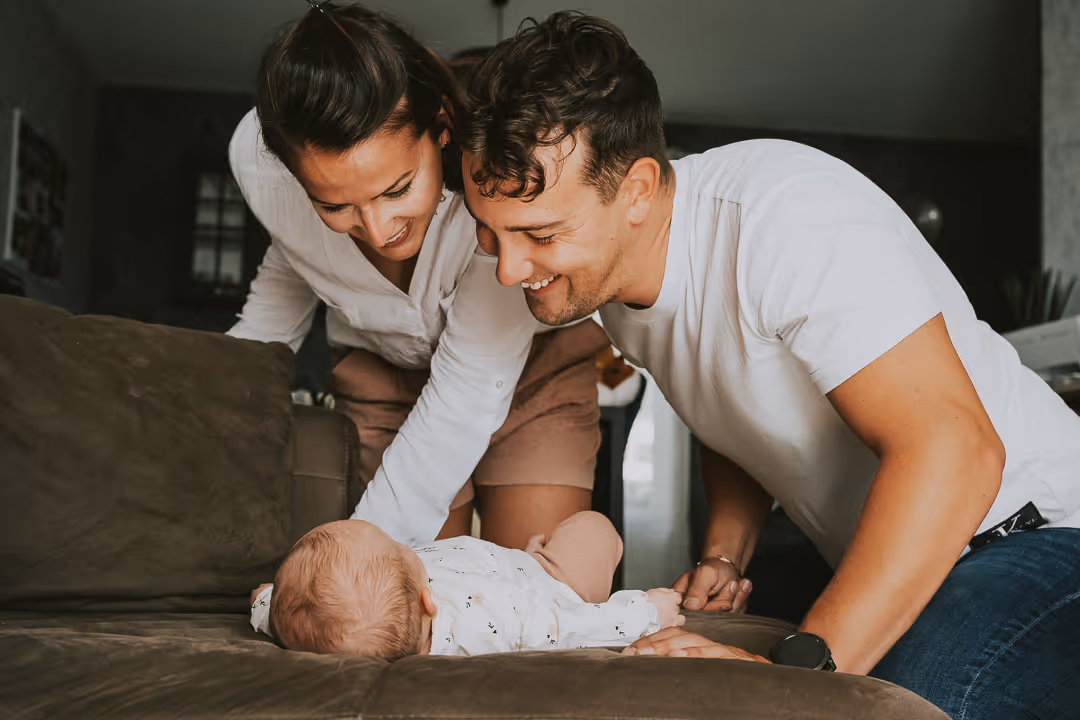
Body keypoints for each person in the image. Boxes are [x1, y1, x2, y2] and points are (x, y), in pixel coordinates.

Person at [458, 11, 1080, 717]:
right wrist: (725, 553)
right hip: (933, 557)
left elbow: (956, 452)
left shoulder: (784, 220)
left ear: (633, 190)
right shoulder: (619, 291)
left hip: (1039, 531)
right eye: (490, 232)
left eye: (538, 234)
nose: (508, 269)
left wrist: (802, 674)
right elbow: (734, 413)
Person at [226, 2, 610, 551]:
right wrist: (211, 413)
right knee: (412, 606)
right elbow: (291, 262)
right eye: (336, 207)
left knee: (537, 588)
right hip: (381, 378)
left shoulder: (492, 188)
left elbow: (467, 392)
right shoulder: (261, 166)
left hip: (534, 371)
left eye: (397, 189)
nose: (378, 231)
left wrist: (355, 557)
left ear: (442, 130)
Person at [248, 513, 686, 658]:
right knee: (593, 527)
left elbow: (285, 613)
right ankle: (544, 560)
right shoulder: (486, 624)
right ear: (429, 600)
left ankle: (528, 558)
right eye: (402, 549)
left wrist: (268, 599)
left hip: (501, 569)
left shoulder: (308, 622)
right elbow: (559, 626)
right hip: (548, 586)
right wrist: (646, 613)